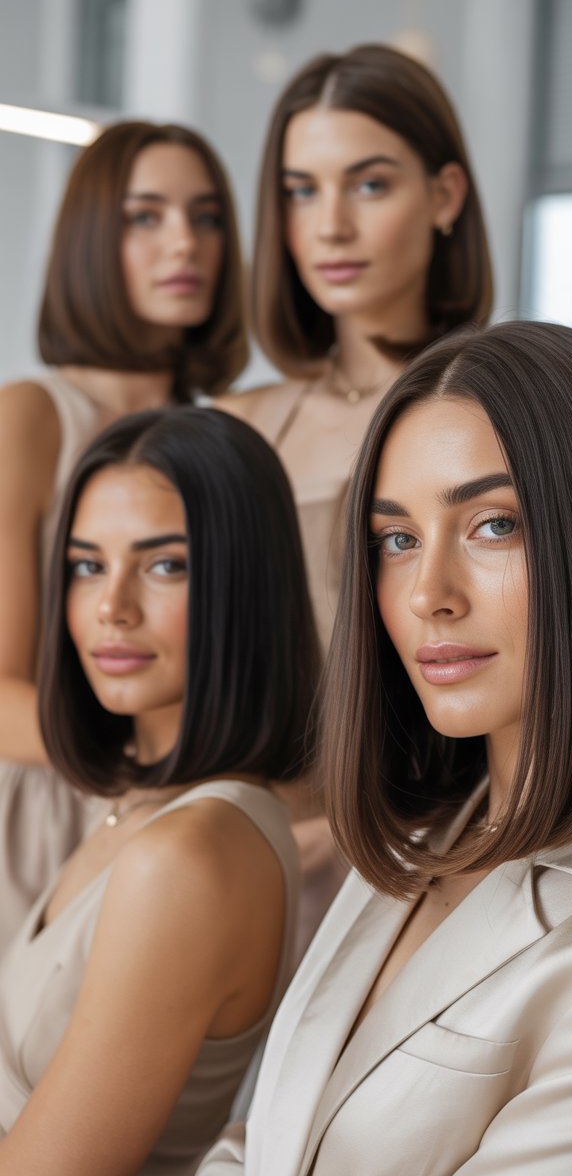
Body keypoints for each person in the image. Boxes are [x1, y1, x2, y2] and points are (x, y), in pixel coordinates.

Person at [199, 321, 572, 1176]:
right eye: (397, 539)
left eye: (494, 526)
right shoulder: (414, 843)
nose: (427, 595)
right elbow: (265, 1143)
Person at [0, 407, 319, 1175]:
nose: (112, 607)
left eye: (165, 564)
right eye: (86, 565)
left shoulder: (189, 853)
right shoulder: (138, 806)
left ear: (246, 587)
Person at [0, 120, 247, 947]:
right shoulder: (31, 418)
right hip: (49, 809)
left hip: (193, 805)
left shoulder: (229, 437)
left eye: (207, 216)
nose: (185, 242)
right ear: (91, 238)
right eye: (147, 216)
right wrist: (149, 768)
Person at [217, 42, 492, 649]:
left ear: (444, 196)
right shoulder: (240, 424)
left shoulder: (499, 413)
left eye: (369, 185)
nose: (331, 226)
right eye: (302, 191)